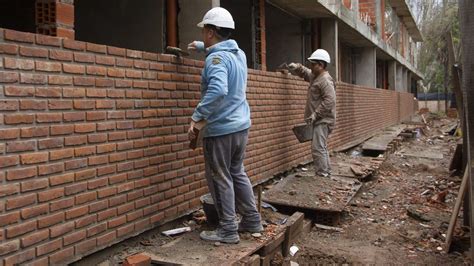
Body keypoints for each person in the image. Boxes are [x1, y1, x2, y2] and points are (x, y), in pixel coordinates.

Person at [187, 7, 263, 244]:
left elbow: (219, 89)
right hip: (241, 126)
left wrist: (197, 115)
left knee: (219, 177)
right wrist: (201, 49)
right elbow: (224, 53)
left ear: (210, 32)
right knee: (237, 172)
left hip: (221, 129)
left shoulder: (216, 59)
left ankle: (228, 229)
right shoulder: (238, 54)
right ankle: (251, 219)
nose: (202, 36)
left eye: (204, 33)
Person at [288, 49, 336, 177]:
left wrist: (315, 114)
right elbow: (305, 73)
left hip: (323, 120)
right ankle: (325, 172)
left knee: (318, 148)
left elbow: (330, 100)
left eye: (313, 64)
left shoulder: (325, 80)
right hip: (319, 120)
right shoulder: (316, 76)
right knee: (321, 147)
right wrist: (297, 67)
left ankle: (322, 174)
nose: (311, 66)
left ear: (320, 65)